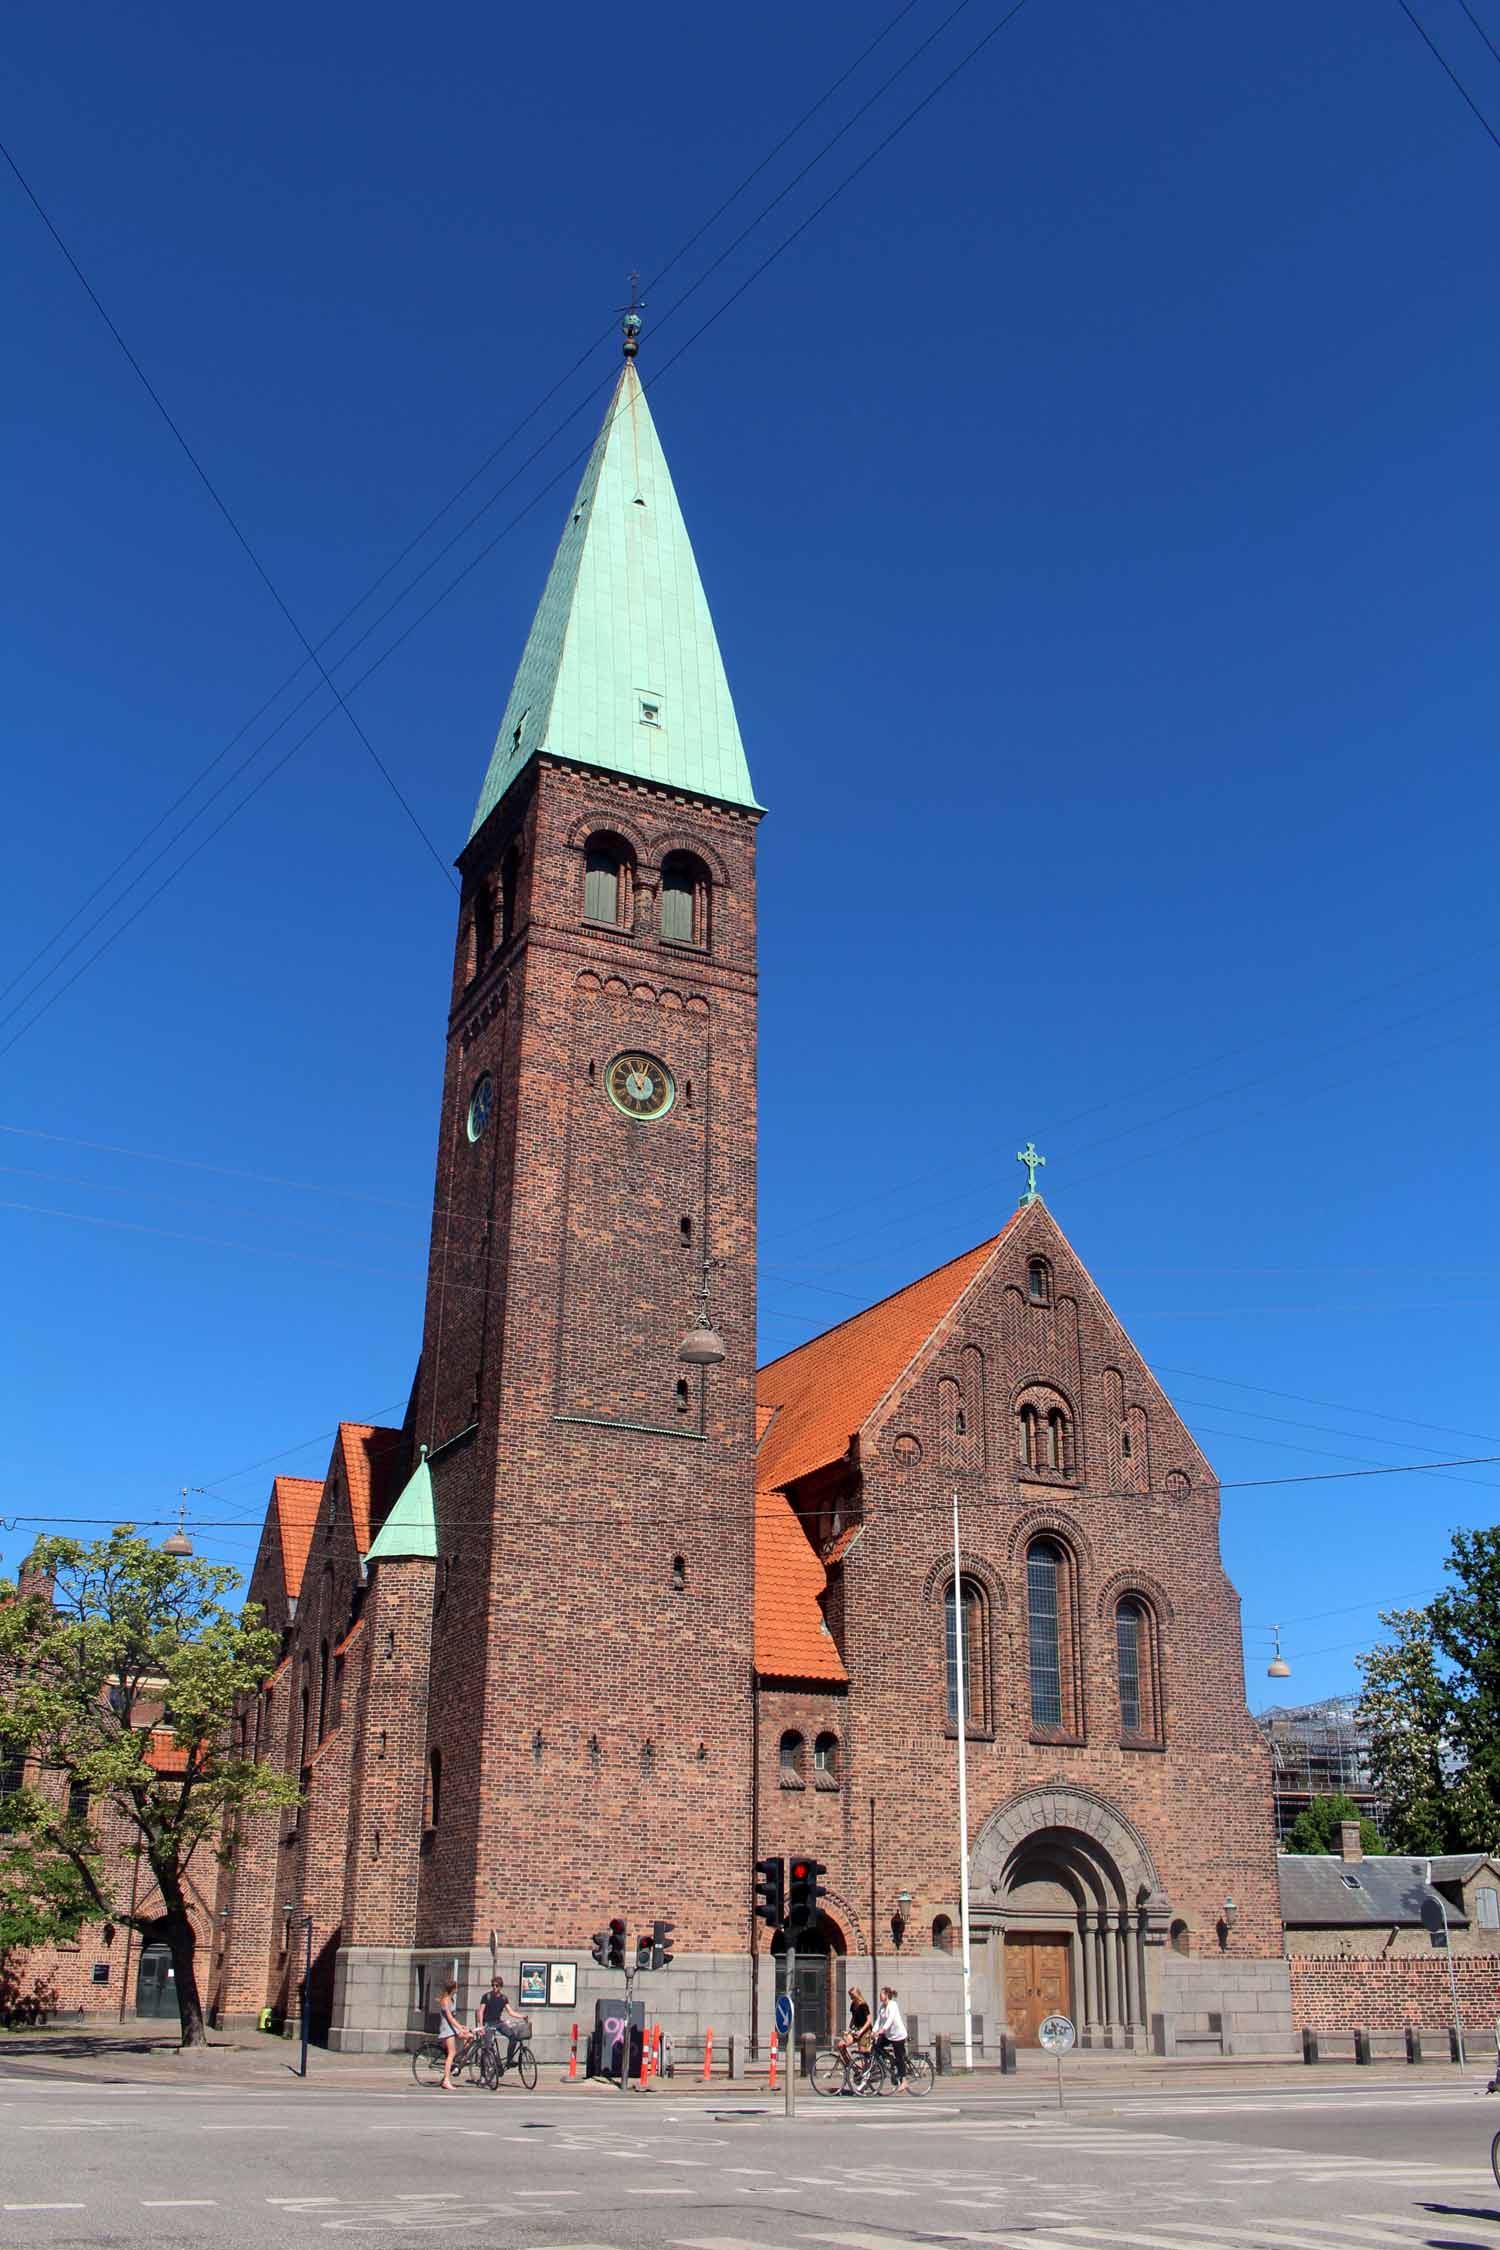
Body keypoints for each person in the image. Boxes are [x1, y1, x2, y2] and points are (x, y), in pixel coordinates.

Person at [476, 1975, 522, 2076]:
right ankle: (483, 2075)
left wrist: (522, 2017)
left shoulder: (503, 1998)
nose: (494, 1987)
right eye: (493, 1985)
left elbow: (510, 2012)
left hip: (498, 2022)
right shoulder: (486, 1996)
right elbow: (481, 2011)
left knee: (513, 2037)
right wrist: (481, 2026)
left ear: (501, 1987)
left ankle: (509, 2060)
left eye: (496, 1986)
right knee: (487, 2047)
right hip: (488, 2023)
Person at [874, 1984, 909, 2089]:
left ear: (886, 1995)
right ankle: (890, 2059)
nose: (880, 1995)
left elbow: (890, 2020)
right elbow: (878, 2020)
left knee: (900, 2057)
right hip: (888, 2035)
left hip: (898, 2035)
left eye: (881, 1993)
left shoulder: (893, 2005)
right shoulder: (882, 2007)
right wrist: (873, 2031)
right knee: (877, 2046)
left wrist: (882, 2030)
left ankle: (904, 2081)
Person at [836, 1986, 873, 2087]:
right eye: (850, 1995)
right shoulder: (853, 2005)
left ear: (857, 1995)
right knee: (840, 2045)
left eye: (852, 1995)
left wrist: (861, 2031)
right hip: (856, 2030)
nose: (851, 1997)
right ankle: (853, 2067)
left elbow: (869, 2020)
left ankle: (866, 2074)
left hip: (865, 2031)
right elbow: (853, 2018)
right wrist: (848, 2030)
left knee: (862, 2052)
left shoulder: (863, 2005)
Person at [436, 1979, 467, 2091]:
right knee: (451, 2053)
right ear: (453, 1988)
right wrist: (459, 2028)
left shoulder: (451, 1999)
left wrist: (461, 2027)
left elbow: (453, 2018)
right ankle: (446, 2081)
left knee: (470, 2036)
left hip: (452, 2027)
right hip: (447, 2029)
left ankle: (459, 2062)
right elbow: (449, 2018)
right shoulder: (445, 2001)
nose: (457, 1988)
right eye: (456, 1987)